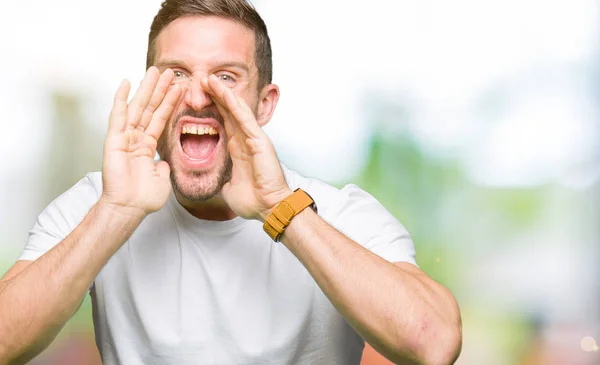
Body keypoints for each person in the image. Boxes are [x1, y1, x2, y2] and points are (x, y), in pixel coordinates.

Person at [0, 0, 462, 364]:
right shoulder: (100, 203)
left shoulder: (339, 213)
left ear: (265, 104)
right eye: (177, 73)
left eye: (225, 77)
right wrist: (115, 213)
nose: (198, 96)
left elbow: (434, 344)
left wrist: (280, 208)